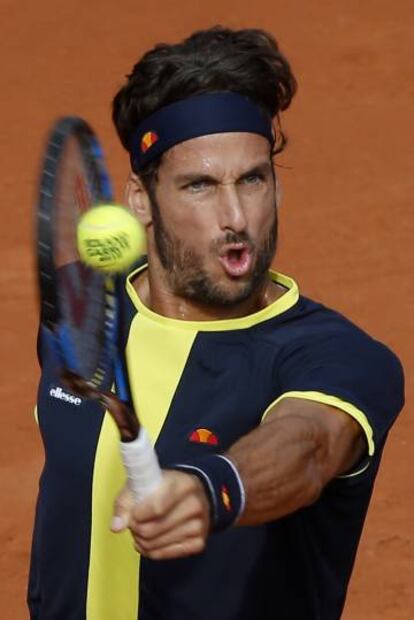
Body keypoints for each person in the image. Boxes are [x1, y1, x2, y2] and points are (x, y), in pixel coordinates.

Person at [28, 26, 404, 620]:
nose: (236, 218)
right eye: (199, 185)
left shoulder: (338, 357)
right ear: (142, 201)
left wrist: (213, 490)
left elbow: (306, 447)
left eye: (253, 180)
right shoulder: (83, 309)